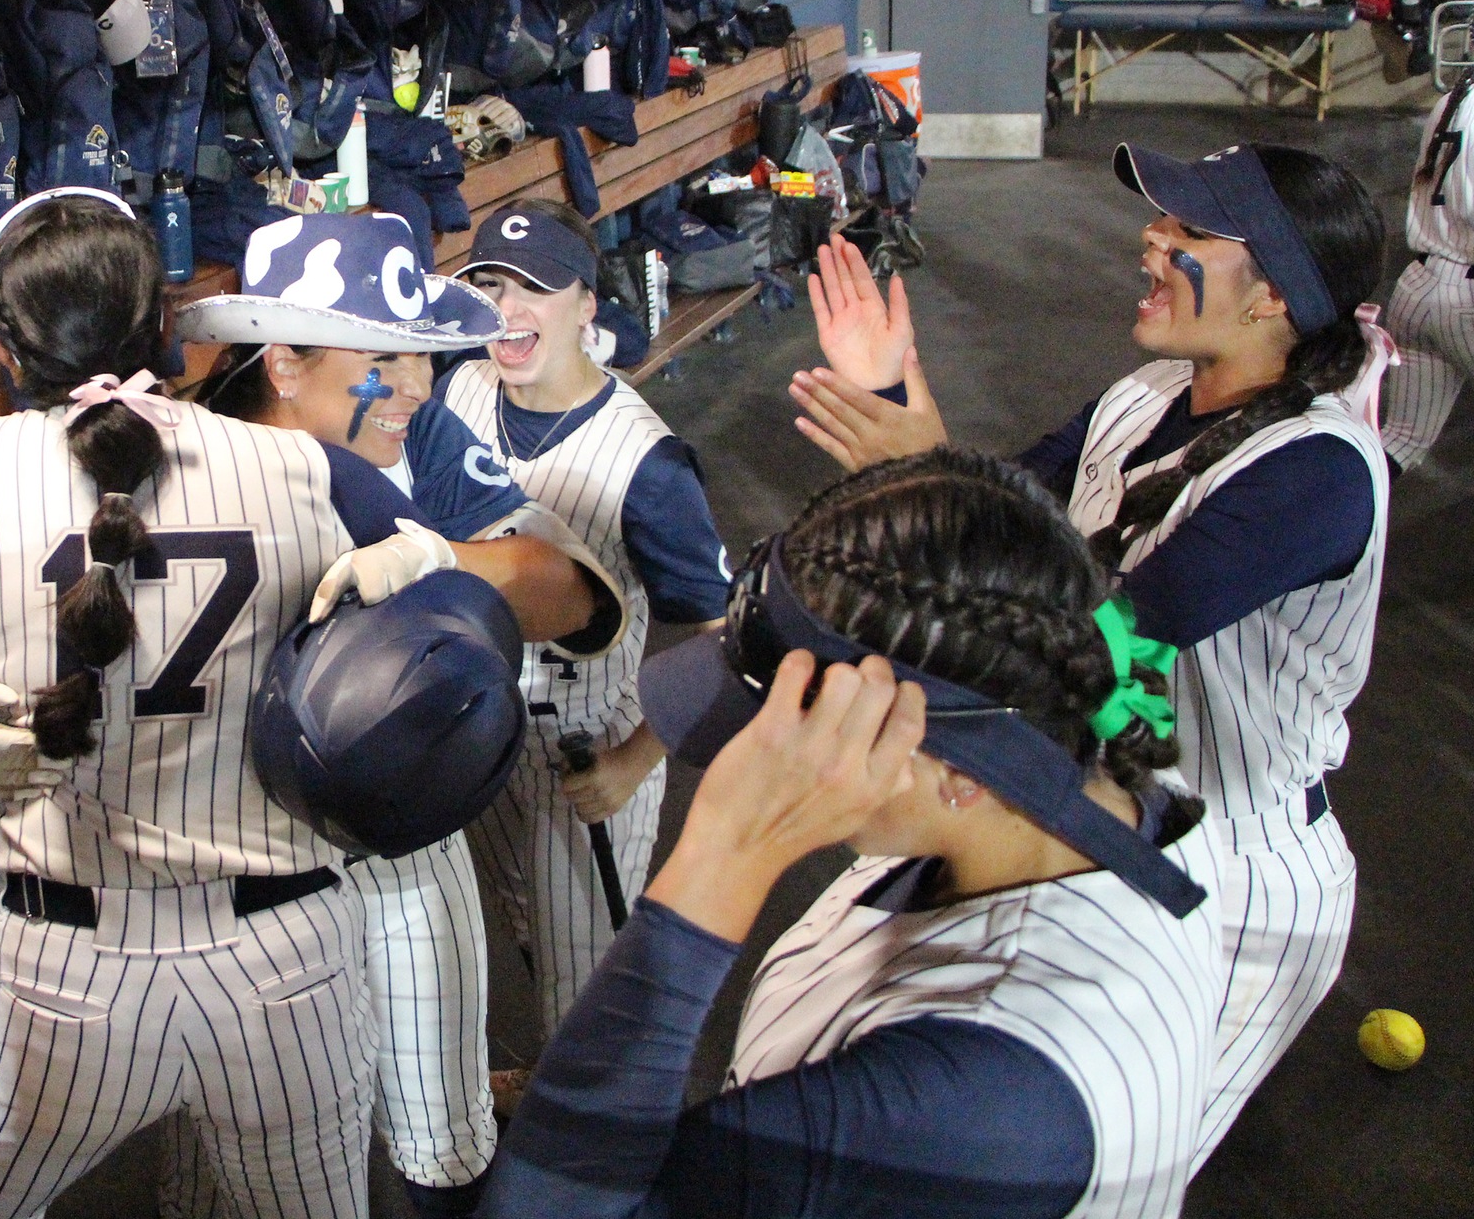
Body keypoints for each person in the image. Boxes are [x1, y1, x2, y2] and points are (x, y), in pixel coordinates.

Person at [0, 187, 507, 1219]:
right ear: (165, 325)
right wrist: (415, 555)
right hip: (283, 958)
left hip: (60, 963)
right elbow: (463, 602)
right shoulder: (304, 465)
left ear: (4, 346)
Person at [785, 141, 1392, 1165]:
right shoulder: (1141, 396)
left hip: (1237, 877)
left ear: (1272, 298)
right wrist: (895, 404)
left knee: (1096, 1173)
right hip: (1091, 810)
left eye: (1191, 231)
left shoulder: (1317, 470)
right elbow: (999, 513)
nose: (1152, 238)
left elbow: (1105, 638)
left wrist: (934, 471)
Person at [482, 449, 1224, 1219]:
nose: (756, 753)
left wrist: (717, 863)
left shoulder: (978, 1097)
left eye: (798, 722)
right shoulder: (1074, 793)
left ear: (950, 759)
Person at [164, 210, 627, 1219]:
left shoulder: (412, 436)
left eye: (421, 356)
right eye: (383, 358)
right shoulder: (168, 451)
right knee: (232, 1171)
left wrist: (438, 557)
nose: (415, 384)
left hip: (396, 851)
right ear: (282, 363)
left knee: (439, 1142)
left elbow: (566, 588)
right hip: (224, 870)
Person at [444, 198, 735, 1057]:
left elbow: (731, 636)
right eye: (492, 284)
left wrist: (635, 759)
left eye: (537, 288)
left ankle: (602, 1155)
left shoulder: (645, 463)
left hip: (583, 751)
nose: (508, 309)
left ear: (586, 304)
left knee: (591, 990)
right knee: (529, 930)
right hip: (477, 732)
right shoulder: (456, 388)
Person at [1381, 76, 1474, 469]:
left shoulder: (1457, 97)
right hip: (1467, 300)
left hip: (1417, 289)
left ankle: (1315, 520)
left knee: (1400, 441)